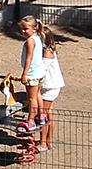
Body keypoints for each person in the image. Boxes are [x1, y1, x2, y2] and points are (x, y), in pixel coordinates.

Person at [35, 23, 64, 156]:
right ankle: (49, 140)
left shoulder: (47, 52)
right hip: (53, 85)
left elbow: (41, 72)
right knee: (49, 113)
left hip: (50, 87)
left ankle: (42, 143)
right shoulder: (50, 49)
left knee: (43, 114)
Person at [16, 15, 46, 134]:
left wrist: (24, 74)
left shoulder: (30, 41)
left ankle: (31, 121)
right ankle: (42, 115)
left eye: (25, 29)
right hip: (40, 72)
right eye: (22, 29)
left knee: (31, 98)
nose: (23, 31)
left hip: (32, 74)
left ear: (34, 28)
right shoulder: (38, 37)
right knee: (38, 94)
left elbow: (29, 58)